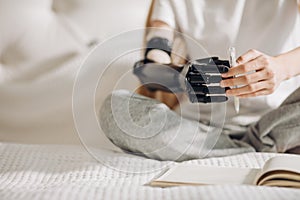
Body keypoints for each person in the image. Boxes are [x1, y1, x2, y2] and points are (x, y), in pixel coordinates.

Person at [99, 0, 300, 161]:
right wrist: (182, 78)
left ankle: (237, 149)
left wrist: (281, 67)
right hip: (201, 129)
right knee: (115, 109)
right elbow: (151, 66)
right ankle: (250, 149)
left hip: (276, 120)